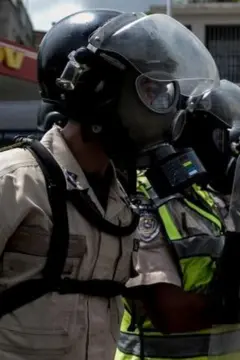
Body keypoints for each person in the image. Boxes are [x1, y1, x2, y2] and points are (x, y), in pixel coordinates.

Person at [0, 9, 219, 360]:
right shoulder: (16, 180)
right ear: (93, 88)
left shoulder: (119, 199)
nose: (162, 105)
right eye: (148, 88)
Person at [114, 80, 240, 360]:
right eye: (221, 135)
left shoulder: (205, 198)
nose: (229, 149)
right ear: (189, 133)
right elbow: (170, 314)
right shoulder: (144, 199)